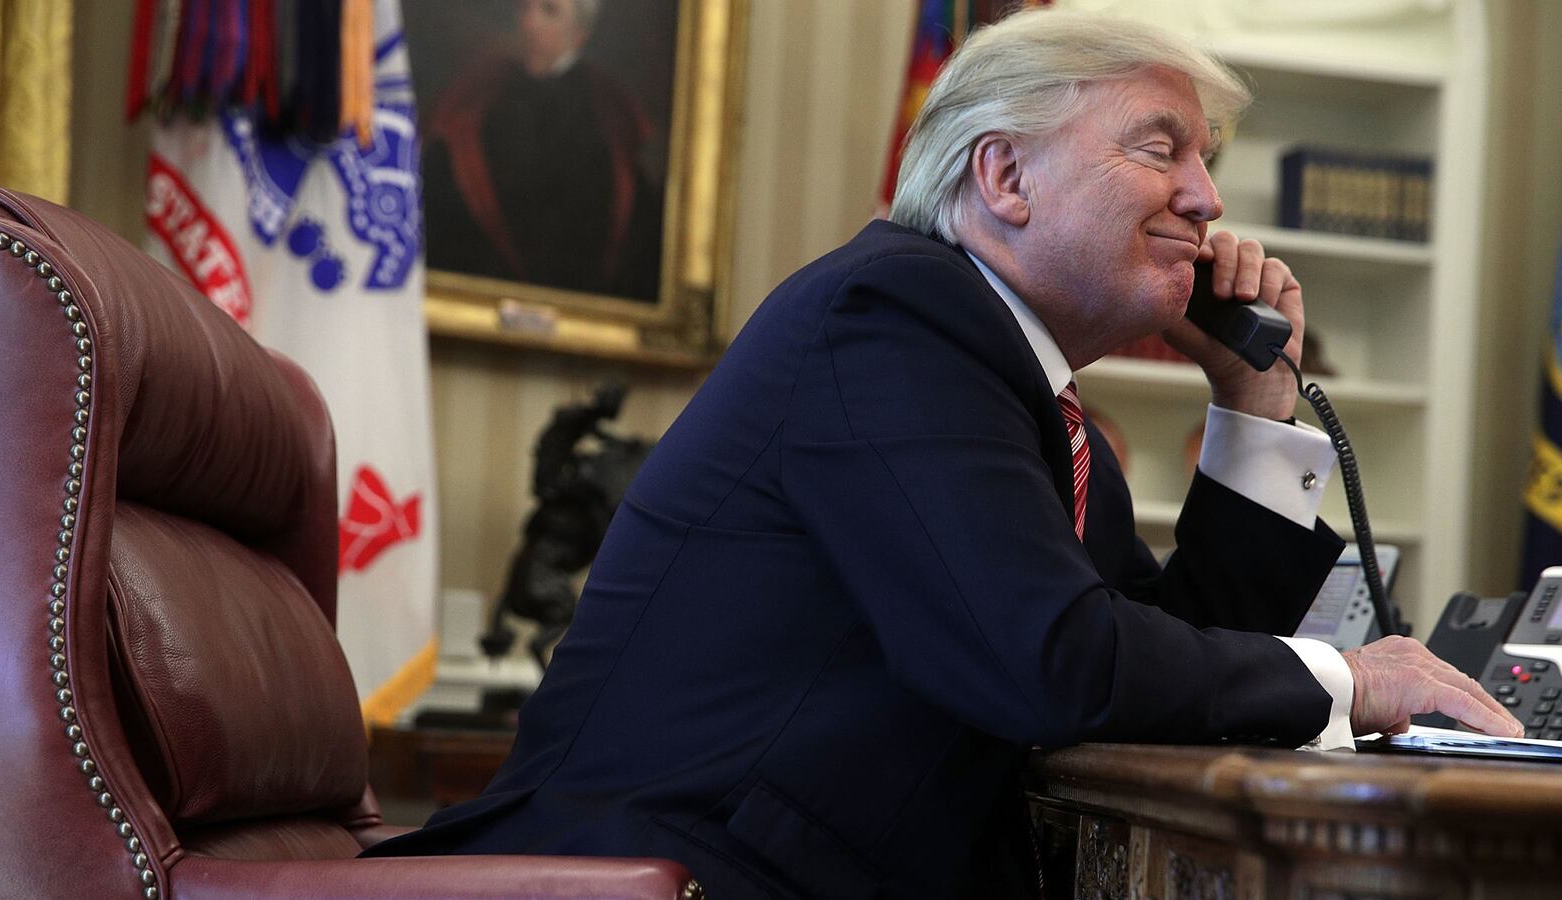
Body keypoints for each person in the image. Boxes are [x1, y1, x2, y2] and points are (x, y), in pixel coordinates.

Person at [368, 9, 1521, 898]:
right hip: (675, 877)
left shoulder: (1032, 404)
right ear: (1004, 177)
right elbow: (1047, 662)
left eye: (1205, 159)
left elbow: (1163, 661)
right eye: (1157, 148)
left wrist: (1258, 401)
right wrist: (1353, 679)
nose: (1206, 197)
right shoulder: (893, 319)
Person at [420, 0, 663, 298]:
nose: (530, 24)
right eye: (524, 9)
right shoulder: (477, 96)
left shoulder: (609, 116)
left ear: (580, 31)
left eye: (549, 11)